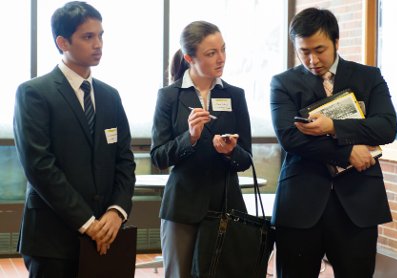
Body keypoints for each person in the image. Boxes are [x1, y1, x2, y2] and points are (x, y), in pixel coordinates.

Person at [270, 7, 397, 278]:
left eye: (319, 49)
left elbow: (386, 128)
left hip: (358, 202)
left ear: (336, 42)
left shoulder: (368, 77)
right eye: (304, 51)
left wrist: (333, 127)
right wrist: (348, 150)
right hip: (301, 204)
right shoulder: (283, 84)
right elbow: (291, 139)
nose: (313, 59)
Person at [13, 1, 136, 277]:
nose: (98, 44)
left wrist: (116, 212)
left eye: (101, 35)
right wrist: (87, 222)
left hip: (108, 234)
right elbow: (39, 166)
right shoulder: (35, 93)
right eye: (88, 37)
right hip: (53, 239)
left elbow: (125, 160)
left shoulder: (110, 96)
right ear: (62, 42)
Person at [150, 20, 252, 277]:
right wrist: (190, 137)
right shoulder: (170, 96)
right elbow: (158, 157)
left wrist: (229, 151)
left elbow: (246, 159)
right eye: (211, 53)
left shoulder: (234, 95)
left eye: (223, 49)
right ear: (189, 58)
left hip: (227, 205)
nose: (222, 58)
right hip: (183, 207)